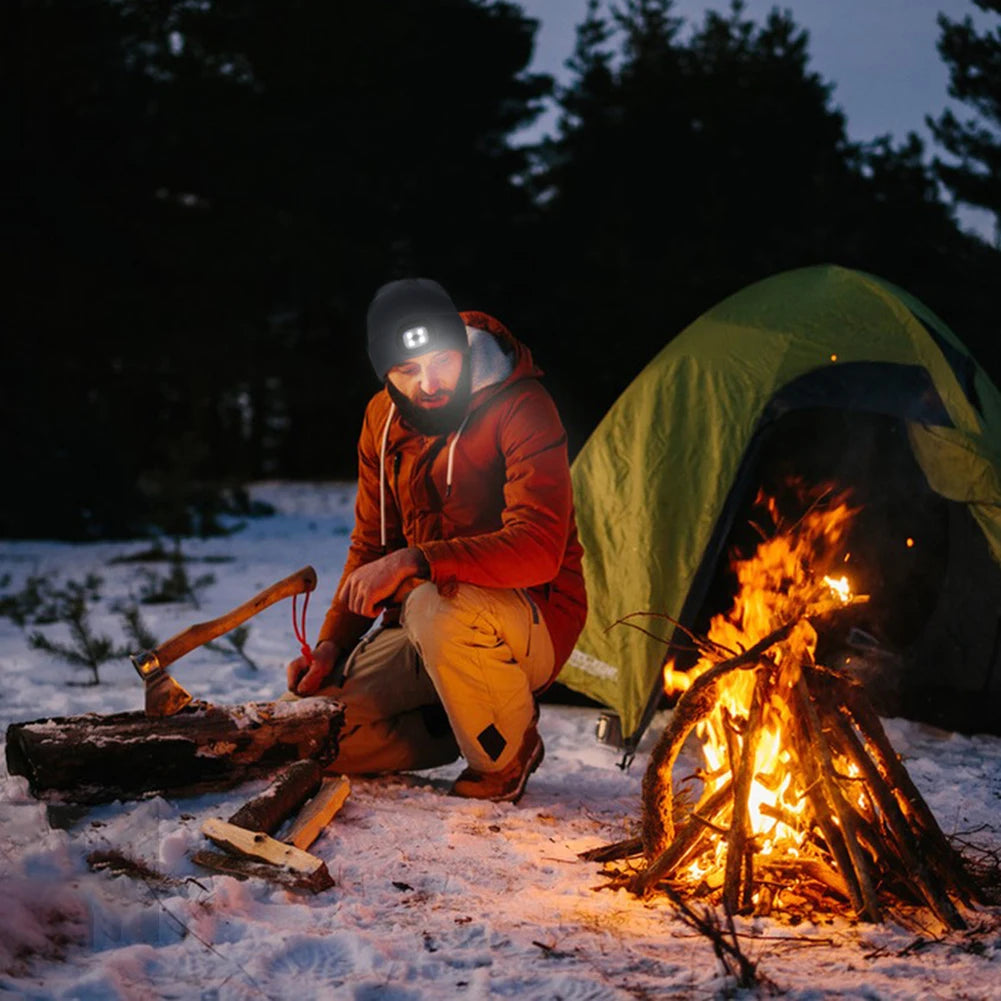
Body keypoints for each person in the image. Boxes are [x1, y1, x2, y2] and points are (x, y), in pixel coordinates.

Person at [285, 277, 587, 803]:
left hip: (529, 617)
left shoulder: (522, 406)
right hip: (426, 624)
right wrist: (333, 643)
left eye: (442, 361)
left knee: (434, 605)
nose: (429, 383)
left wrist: (418, 560)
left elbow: (539, 548)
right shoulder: (381, 420)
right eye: (408, 371)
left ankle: (506, 753)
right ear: (386, 375)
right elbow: (371, 546)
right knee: (315, 734)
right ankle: (467, 713)